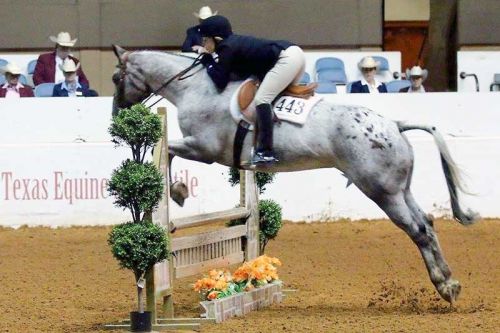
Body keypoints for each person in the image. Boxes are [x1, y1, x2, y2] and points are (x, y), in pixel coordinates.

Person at [198, 15, 306, 165]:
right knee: (272, 100)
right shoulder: (233, 44)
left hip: (286, 59)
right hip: (295, 54)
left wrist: (206, 59)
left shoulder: (226, 48)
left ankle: (266, 152)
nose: (203, 44)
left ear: (216, 38)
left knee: (262, 99)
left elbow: (220, 81)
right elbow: (237, 74)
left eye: (205, 40)